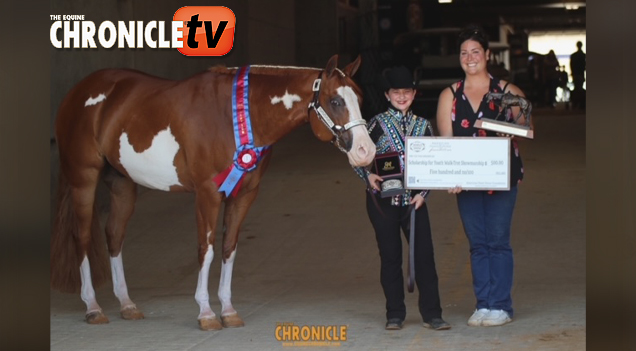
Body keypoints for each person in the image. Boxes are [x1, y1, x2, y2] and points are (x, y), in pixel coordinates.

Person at [435, 25, 530, 327]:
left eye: (476, 51)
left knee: (498, 240)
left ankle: (501, 305)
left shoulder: (508, 91)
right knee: (477, 242)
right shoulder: (449, 96)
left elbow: (525, 129)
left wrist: (507, 122)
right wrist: (449, 176)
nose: (470, 57)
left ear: (488, 55)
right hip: (467, 181)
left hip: (502, 178)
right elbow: (446, 145)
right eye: (464, 53)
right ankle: (483, 305)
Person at [354, 66, 450, 331]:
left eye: (406, 91)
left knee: (424, 257)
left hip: (415, 202)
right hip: (383, 203)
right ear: (387, 95)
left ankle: (433, 314)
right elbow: (355, 153)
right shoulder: (374, 125)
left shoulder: (423, 126)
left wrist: (424, 194)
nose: (401, 96)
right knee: (391, 256)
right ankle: (394, 313)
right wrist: (367, 176)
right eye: (396, 92)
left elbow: (433, 164)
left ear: (414, 94)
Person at [570, 41, 586, 108]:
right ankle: (581, 103)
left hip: (576, 74)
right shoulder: (583, 55)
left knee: (576, 88)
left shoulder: (574, 55)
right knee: (580, 88)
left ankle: (575, 103)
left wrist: (572, 73)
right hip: (580, 73)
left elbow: (571, 65)